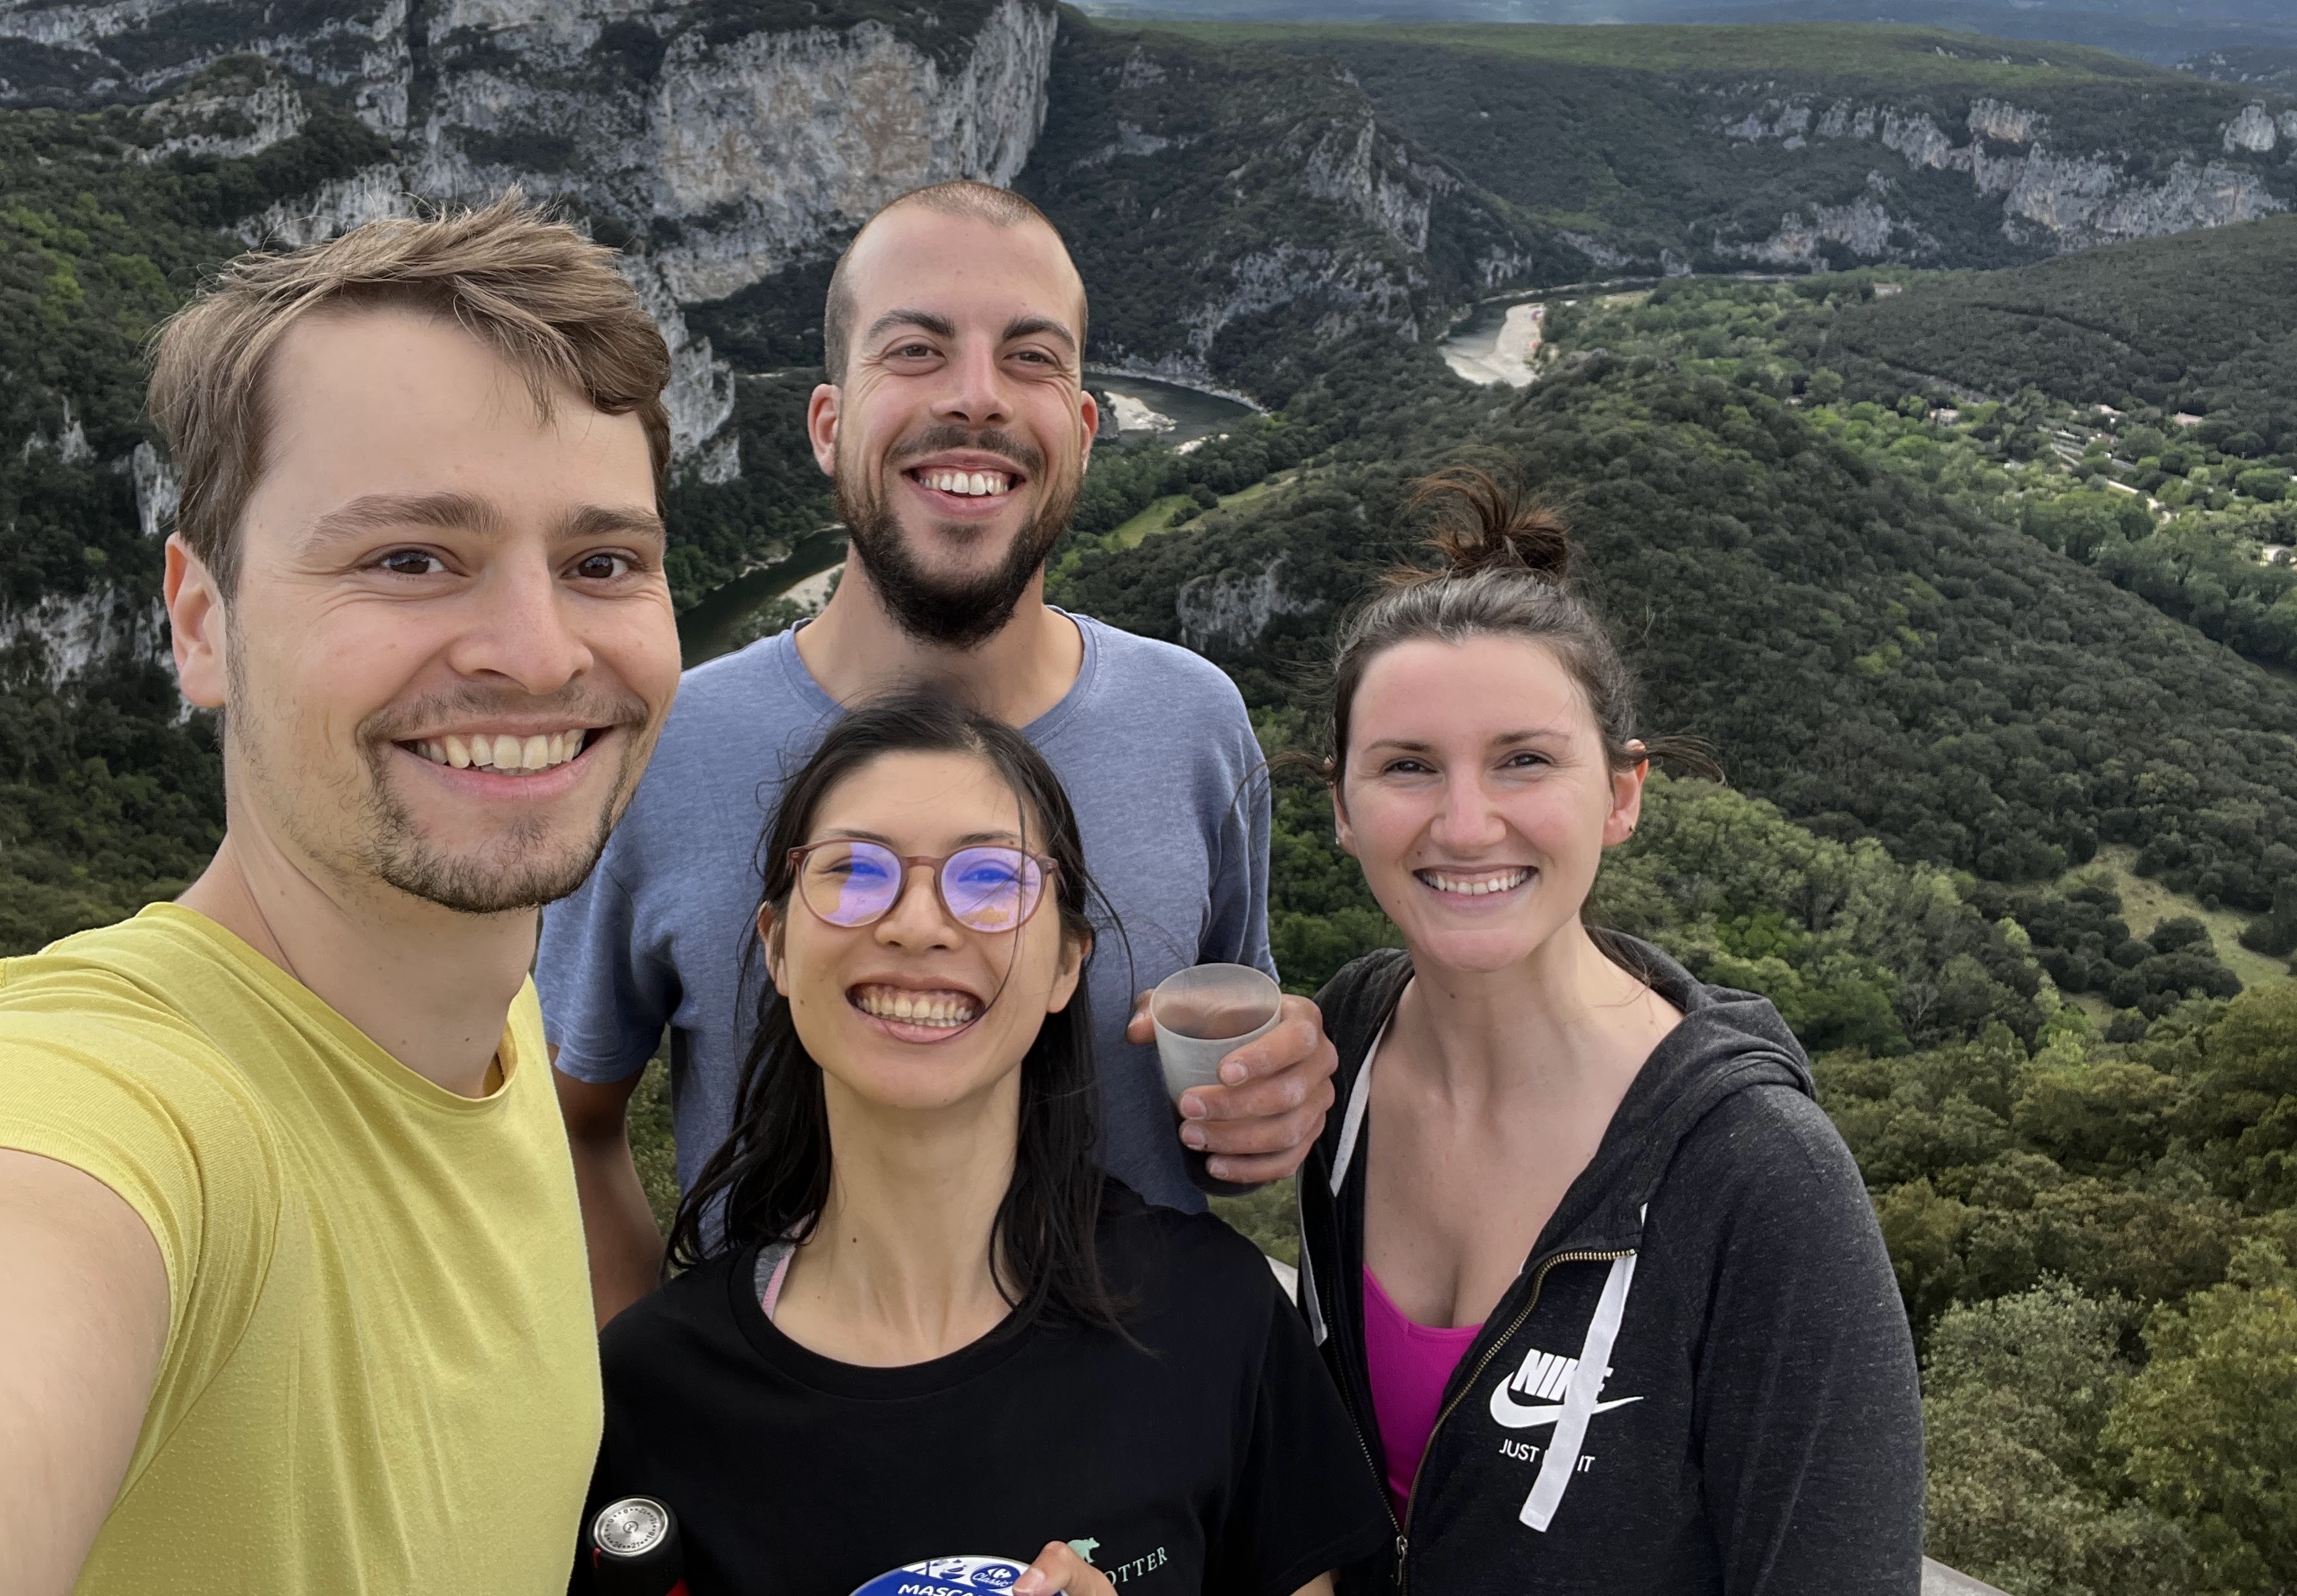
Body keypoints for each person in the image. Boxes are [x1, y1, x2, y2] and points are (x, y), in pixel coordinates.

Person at [0, 198, 686, 1594]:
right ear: (202, 621)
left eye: (603, 563)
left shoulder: (486, 1039)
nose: (536, 651)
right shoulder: (122, 1109)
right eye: (410, 558)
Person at [541, 180, 1335, 1320]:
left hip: (1150, 1443)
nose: (976, 399)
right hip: (790, 1446)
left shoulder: (1197, 725)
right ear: (828, 424)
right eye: (915, 350)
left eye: (1031, 360)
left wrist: (1274, 1095)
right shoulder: (667, 748)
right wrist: (657, 1400)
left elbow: (1222, 1049)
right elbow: (568, 1130)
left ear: (1084, 431)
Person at [579, 694, 1390, 1596]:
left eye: (992, 880)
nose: (918, 924)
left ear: (1066, 964)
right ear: (777, 947)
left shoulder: (1212, 1320)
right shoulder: (653, 1388)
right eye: (854, 871)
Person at [1292, 473, 1924, 1593]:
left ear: (1623, 796)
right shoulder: (1347, 1047)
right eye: (1406, 767)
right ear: (1341, 808)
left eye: (1525, 760)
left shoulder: (1756, 1180)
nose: (1467, 822)